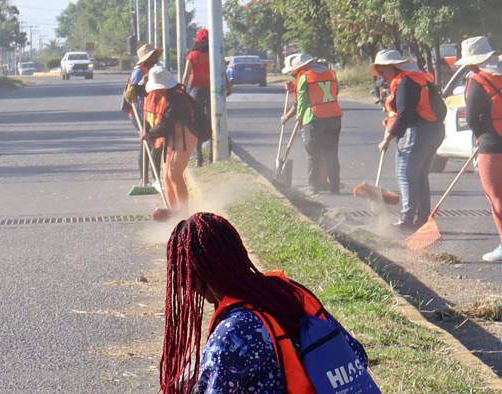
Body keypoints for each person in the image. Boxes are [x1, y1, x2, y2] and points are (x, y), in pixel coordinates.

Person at [159, 212, 373, 393]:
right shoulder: (289, 292)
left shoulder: (232, 334)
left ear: (198, 275)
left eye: (183, 279)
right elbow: (358, 356)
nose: (185, 288)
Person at [373, 49, 445, 230]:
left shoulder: (405, 82)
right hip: (433, 130)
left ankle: (407, 219)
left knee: (405, 173)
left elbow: (405, 115)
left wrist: (388, 138)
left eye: (383, 71)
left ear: (393, 67)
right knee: (419, 175)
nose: (382, 76)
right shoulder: (417, 78)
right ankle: (422, 218)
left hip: (418, 132)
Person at [456, 36, 502, 261]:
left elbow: (472, 118)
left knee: (497, 197)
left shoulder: (477, 81)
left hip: (492, 145)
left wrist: (478, 137)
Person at [281, 53, 343, 194]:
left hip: (314, 119)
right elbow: (334, 92)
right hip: (334, 116)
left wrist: (299, 117)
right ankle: (335, 187)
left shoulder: (305, 77)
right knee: (331, 153)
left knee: (313, 154)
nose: (294, 74)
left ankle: (313, 187)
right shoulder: (331, 73)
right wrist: (294, 89)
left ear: (301, 67)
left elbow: (301, 103)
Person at [143, 66, 199, 210]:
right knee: (167, 177)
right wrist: (132, 88)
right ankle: (173, 210)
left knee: (174, 174)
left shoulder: (176, 100)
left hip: (187, 135)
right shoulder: (164, 94)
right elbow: (141, 92)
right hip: (173, 136)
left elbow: (166, 125)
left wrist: (149, 134)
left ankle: (184, 212)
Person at [124, 43, 163, 180]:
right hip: (139, 112)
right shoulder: (139, 72)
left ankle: (153, 179)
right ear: (146, 58)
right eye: (152, 56)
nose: (155, 57)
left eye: (155, 55)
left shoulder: (154, 69)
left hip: (152, 111)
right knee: (149, 143)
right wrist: (142, 119)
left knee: (152, 143)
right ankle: (149, 179)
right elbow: (132, 95)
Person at [182, 28, 211, 167]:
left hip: (196, 92)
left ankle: (199, 156)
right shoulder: (215, 55)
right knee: (212, 122)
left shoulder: (192, 55)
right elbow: (223, 74)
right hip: (212, 91)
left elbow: (186, 75)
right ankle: (212, 154)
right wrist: (228, 88)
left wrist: (182, 90)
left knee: (196, 123)